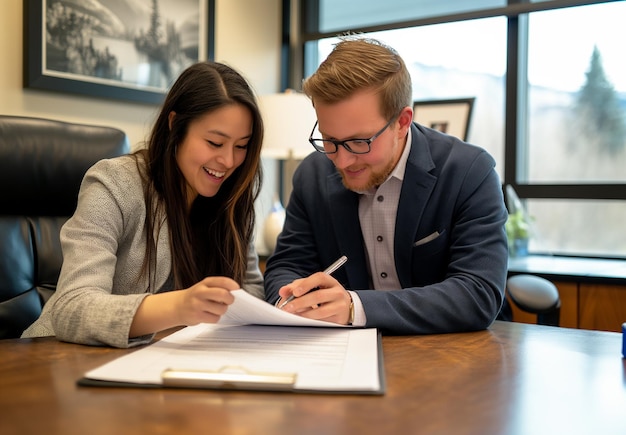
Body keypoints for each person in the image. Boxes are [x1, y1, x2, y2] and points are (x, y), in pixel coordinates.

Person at [263, 37, 509, 334]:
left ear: (402, 122)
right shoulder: (311, 175)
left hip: (450, 354)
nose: (341, 161)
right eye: (329, 140)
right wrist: (290, 302)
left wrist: (355, 307)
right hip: (340, 354)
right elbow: (287, 265)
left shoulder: (469, 172)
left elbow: (478, 292)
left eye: (359, 142)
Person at [22, 61, 265, 347]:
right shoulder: (114, 184)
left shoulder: (234, 197)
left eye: (241, 146)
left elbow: (250, 294)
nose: (228, 161)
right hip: (59, 360)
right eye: (214, 142)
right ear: (176, 125)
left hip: (172, 365)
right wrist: (179, 306)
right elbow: (72, 309)